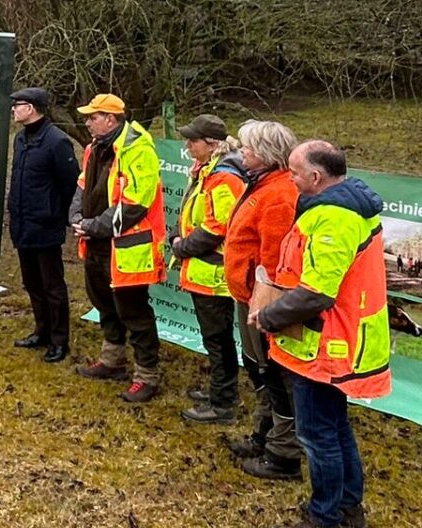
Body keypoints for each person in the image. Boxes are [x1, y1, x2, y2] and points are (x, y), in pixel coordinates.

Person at [254, 140, 392, 528]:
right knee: (334, 426)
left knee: (317, 435)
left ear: (316, 177)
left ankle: (323, 523)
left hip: (325, 345)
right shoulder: (347, 207)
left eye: (294, 173)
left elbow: (317, 292)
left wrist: (269, 315)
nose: (290, 179)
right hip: (338, 338)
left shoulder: (333, 218)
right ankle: (347, 506)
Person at [68, 94, 165, 404]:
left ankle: (147, 375)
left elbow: (135, 203)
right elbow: (82, 186)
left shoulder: (138, 150)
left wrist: (93, 225)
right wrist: (76, 216)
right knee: (103, 303)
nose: (86, 122)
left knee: (134, 312)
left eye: (92, 117)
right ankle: (113, 359)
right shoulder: (94, 148)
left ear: (110, 119)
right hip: (97, 242)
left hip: (126, 248)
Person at [225, 119, 304, 480]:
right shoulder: (263, 184)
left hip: (264, 300)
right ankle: (265, 433)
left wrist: (267, 307)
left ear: (268, 154)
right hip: (249, 295)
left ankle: (283, 451)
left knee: (274, 373)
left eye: (249, 148)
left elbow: (276, 261)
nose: (242, 153)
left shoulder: (279, 194)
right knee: (258, 368)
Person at [169, 114, 248, 424]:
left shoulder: (224, 176)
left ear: (212, 144)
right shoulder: (209, 169)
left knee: (218, 340)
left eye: (193, 140)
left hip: (213, 273)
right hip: (205, 269)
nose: (187, 145)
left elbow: (219, 225)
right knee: (215, 338)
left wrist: (183, 246)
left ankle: (223, 403)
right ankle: (220, 391)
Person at [5, 87, 79, 364]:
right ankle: (42, 330)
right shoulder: (20, 139)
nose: (13, 109)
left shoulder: (57, 142)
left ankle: (59, 340)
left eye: (18, 105)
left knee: (52, 285)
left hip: (45, 225)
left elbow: (70, 183)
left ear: (32, 108)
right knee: (31, 282)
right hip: (22, 223)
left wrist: (56, 215)